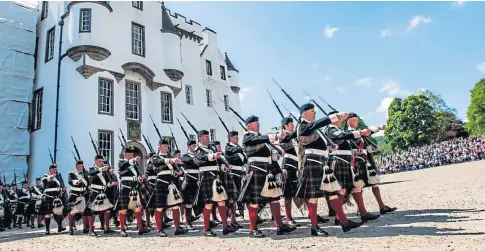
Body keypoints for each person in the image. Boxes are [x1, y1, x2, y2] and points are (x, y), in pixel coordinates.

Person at [297, 103, 362, 236]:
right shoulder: (304, 126)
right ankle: (314, 227)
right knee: (313, 197)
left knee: (332, 192)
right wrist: (335, 116)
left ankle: (344, 222)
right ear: (304, 114)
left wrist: (329, 148)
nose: (315, 113)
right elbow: (314, 126)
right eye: (312, 111)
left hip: (321, 161)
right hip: (312, 161)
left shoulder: (313, 128)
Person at [240, 115, 296, 238]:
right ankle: (252, 229)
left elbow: (269, 154)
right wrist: (274, 136)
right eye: (255, 123)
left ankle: (280, 226)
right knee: (254, 201)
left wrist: (276, 166)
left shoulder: (261, 139)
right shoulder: (248, 136)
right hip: (256, 169)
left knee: (274, 198)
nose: (258, 124)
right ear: (249, 126)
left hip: (267, 171)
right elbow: (255, 140)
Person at [325, 111, 380, 225]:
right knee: (340, 190)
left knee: (349, 188)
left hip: (346, 160)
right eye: (339, 117)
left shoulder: (337, 129)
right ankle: (339, 217)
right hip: (339, 160)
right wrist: (360, 132)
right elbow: (341, 137)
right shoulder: (331, 130)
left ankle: (362, 214)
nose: (341, 120)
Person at [346, 114, 397, 215]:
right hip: (356, 162)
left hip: (365, 161)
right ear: (349, 122)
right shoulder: (349, 133)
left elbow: (363, 145)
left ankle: (382, 206)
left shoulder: (357, 134)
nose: (357, 122)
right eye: (355, 120)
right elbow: (353, 147)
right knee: (359, 186)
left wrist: (370, 149)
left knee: (374, 183)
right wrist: (378, 128)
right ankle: (360, 209)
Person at [193, 130, 238, 236]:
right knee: (208, 203)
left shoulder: (212, 147)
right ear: (200, 138)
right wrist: (213, 156)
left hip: (216, 176)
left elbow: (219, 159)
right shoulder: (198, 149)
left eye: (208, 136)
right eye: (205, 136)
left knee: (221, 200)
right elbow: (201, 158)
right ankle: (206, 228)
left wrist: (225, 165)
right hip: (206, 176)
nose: (208, 138)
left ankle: (225, 227)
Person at [151, 139, 187, 237]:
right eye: (164, 146)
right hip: (161, 183)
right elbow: (157, 162)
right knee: (160, 207)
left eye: (167, 146)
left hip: (172, 183)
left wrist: (180, 171)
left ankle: (177, 228)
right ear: (159, 147)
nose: (167, 147)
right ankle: (159, 229)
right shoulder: (155, 157)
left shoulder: (170, 157)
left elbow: (178, 169)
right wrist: (170, 160)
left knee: (175, 206)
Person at [117, 146, 151, 237]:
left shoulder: (134, 165)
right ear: (125, 155)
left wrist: (141, 178)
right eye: (129, 154)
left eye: (132, 154)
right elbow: (123, 167)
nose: (131, 156)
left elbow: (137, 176)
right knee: (123, 209)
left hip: (134, 188)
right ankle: (122, 229)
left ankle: (140, 229)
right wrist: (132, 161)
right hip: (125, 188)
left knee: (137, 209)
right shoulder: (122, 162)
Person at [88, 155, 115, 236]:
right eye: (100, 161)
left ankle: (106, 228)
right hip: (95, 192)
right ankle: (91, 230)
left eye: (102, 161)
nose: (101, 163)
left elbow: (107, 178)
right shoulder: (92, 168)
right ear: (95, 161)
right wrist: (102, 169)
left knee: (107, 210)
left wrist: (109, 183)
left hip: (104, 191)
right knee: (92, 211)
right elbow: (92, 176)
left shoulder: (105, 169)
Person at [224, 131, 247, 226]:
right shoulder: (228, 148)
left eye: (237, 137)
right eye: (235, 137)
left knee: (237, 197)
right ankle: (229, 220)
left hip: (241, 173)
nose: (237, 139)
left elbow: (244, 159)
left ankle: (234, 220)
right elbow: (231, 152)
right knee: (232, 198)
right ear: (230, 138)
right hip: (233, 174)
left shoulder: (239, 149)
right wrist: (240, 148)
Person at [38, 164, 67, 235]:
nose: (55, 170)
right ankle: (47, 230)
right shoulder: (45, 176)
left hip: (56, 197)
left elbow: (60, 186)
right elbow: (44, 182)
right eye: (53, 169)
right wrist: (51, 177)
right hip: (48, 197)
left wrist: (62, 190)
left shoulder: (58, 177)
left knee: (58, 212)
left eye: (55, 169)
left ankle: (60, 227)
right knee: (47, 214)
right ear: (49, 170)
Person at [180, 139, 200, 230]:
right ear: (188, 147)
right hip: (189, 181)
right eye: (193, 146)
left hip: (198, 180)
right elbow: (188, 161)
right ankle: (188, 223)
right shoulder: (185, 156)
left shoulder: (198, 155)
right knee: (188, 203)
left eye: (195, 145)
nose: (195, 147)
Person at [67, 160, 90, 235]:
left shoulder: (86, 174)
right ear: (76, 167)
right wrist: (76, 182)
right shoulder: (72, 173)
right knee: (72, 212)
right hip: (74, 194)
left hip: (83, 194)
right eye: (79, 166)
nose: (81, 167)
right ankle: (70, 228)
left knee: (84, 212)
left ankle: (85, 228)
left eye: (82, 166)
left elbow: (88, 183)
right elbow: (70, 181)